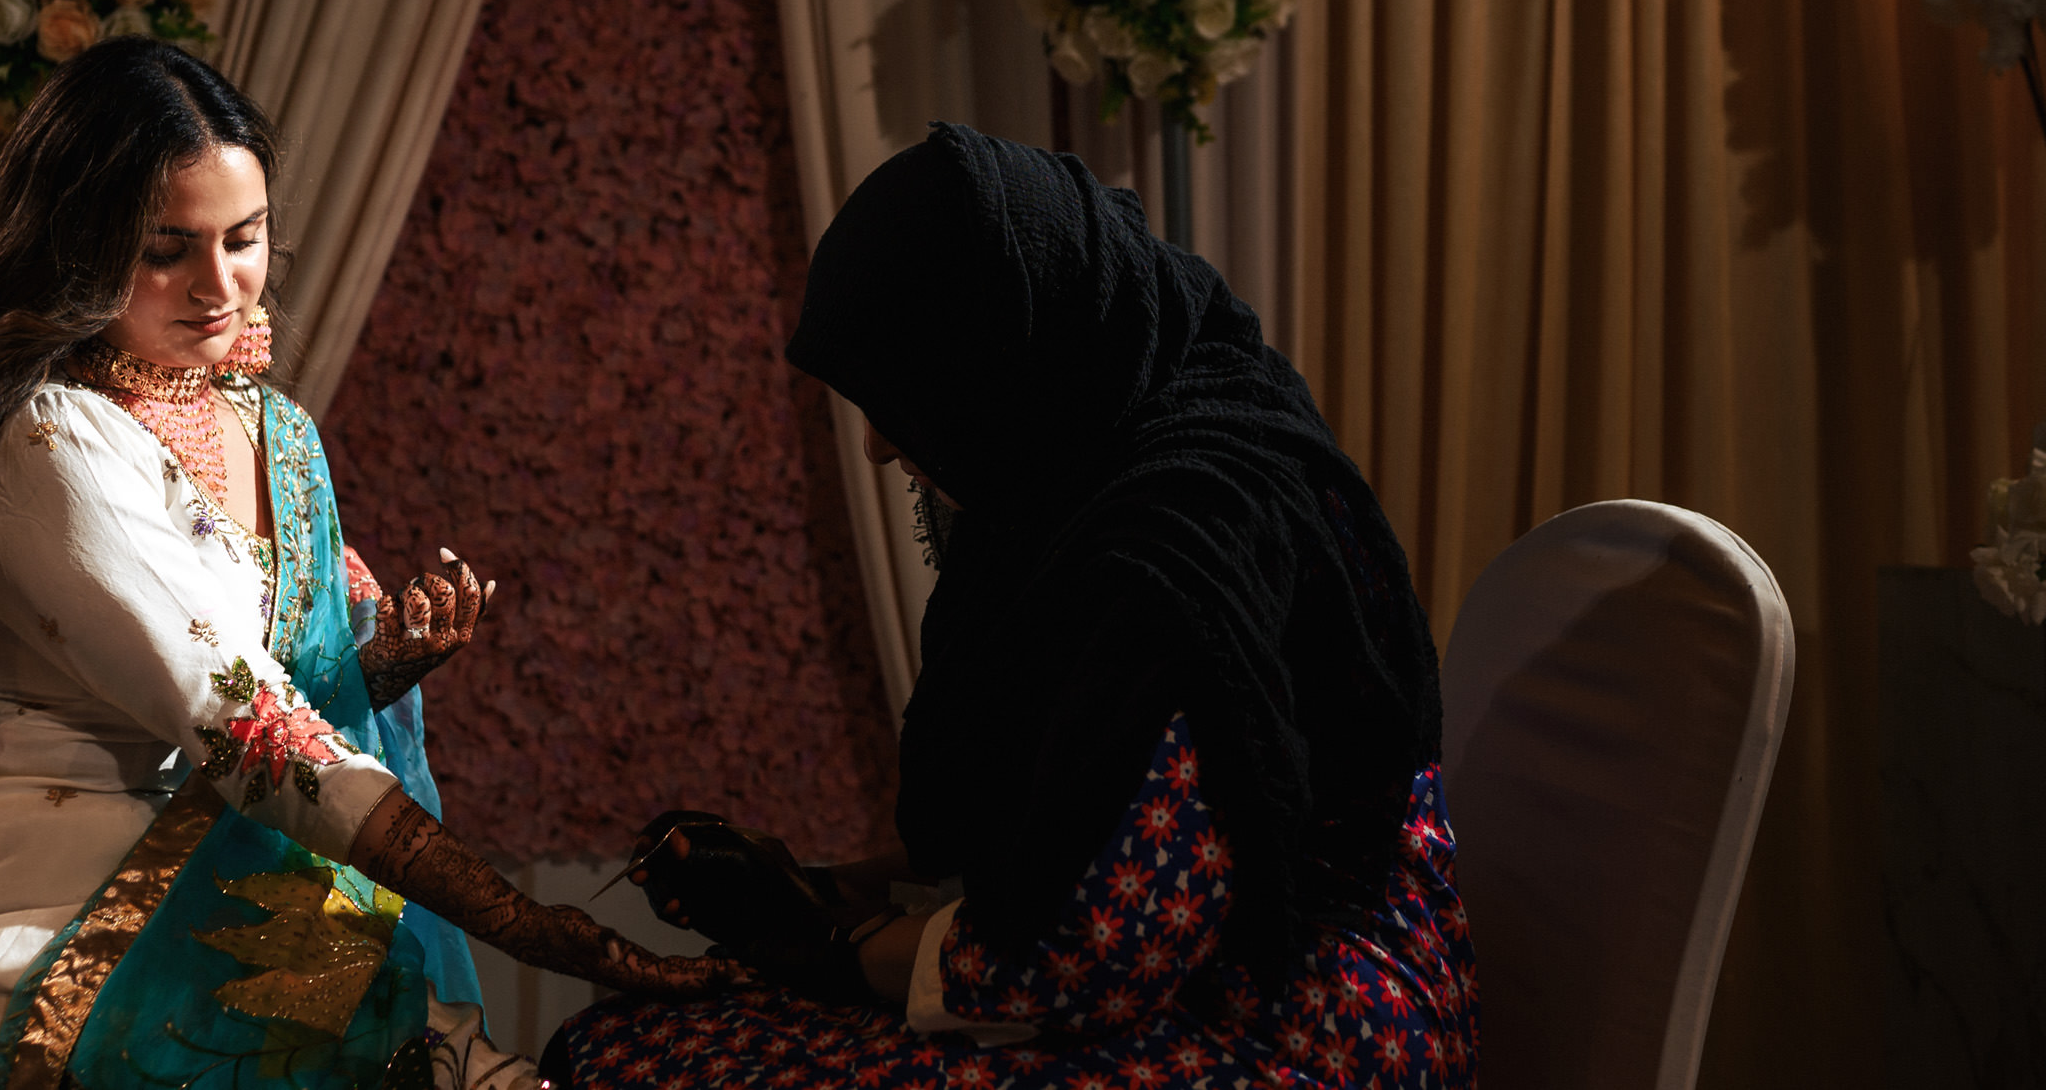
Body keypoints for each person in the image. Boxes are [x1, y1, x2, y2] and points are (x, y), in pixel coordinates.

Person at [0, 39, 732, 1090]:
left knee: (444, 1064)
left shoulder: (269, 424)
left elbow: (293, 685)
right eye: (167, 247)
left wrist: (375, 665)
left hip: (249, 858)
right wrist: (522, 920)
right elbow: (247, 721)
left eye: (244, 238)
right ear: (79, 241)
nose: (218, 285)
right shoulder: (52, 440)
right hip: (35, 888)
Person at [548, 124, 1480, 1089]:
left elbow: (1090, 958)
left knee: (638, 1066)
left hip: (1303, 1016)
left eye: (899, 401)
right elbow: (1055, 821)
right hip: (1180, 975)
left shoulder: (1178, 551)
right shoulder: (1093, 452)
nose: (877, 450)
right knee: (637, 1042)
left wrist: (831, 941)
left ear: (987, 363)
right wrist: (825, 887)